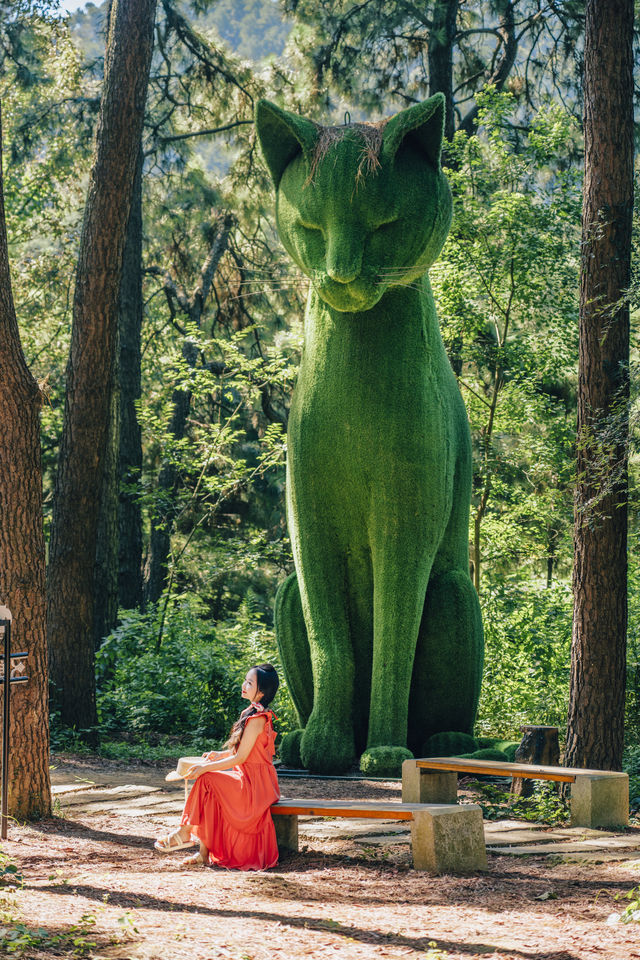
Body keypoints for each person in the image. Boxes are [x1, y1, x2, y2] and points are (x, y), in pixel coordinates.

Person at [154, 663, 280, 869]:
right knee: (209, 786)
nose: (244, 685)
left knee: (207, 778)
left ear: (262, 692)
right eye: (245, 680)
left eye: (250, 683)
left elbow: (240, 758)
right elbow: (242, 751)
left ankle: (185, 832)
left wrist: (206, 768)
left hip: (256, 785)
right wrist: (218, 755)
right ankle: (202, 853)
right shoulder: (249, 713)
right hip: (246, 777)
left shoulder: (258, 719)